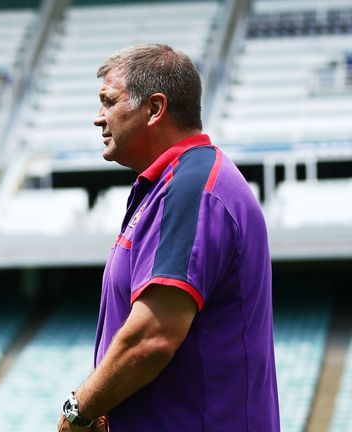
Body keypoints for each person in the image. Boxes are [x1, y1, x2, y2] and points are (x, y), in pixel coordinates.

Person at [58, 44, 279, 431]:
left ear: (155, 108)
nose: (98, 118)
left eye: (109, 101)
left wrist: (79, 410)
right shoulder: (176, 184)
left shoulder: (192, 188)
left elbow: (153, 337)